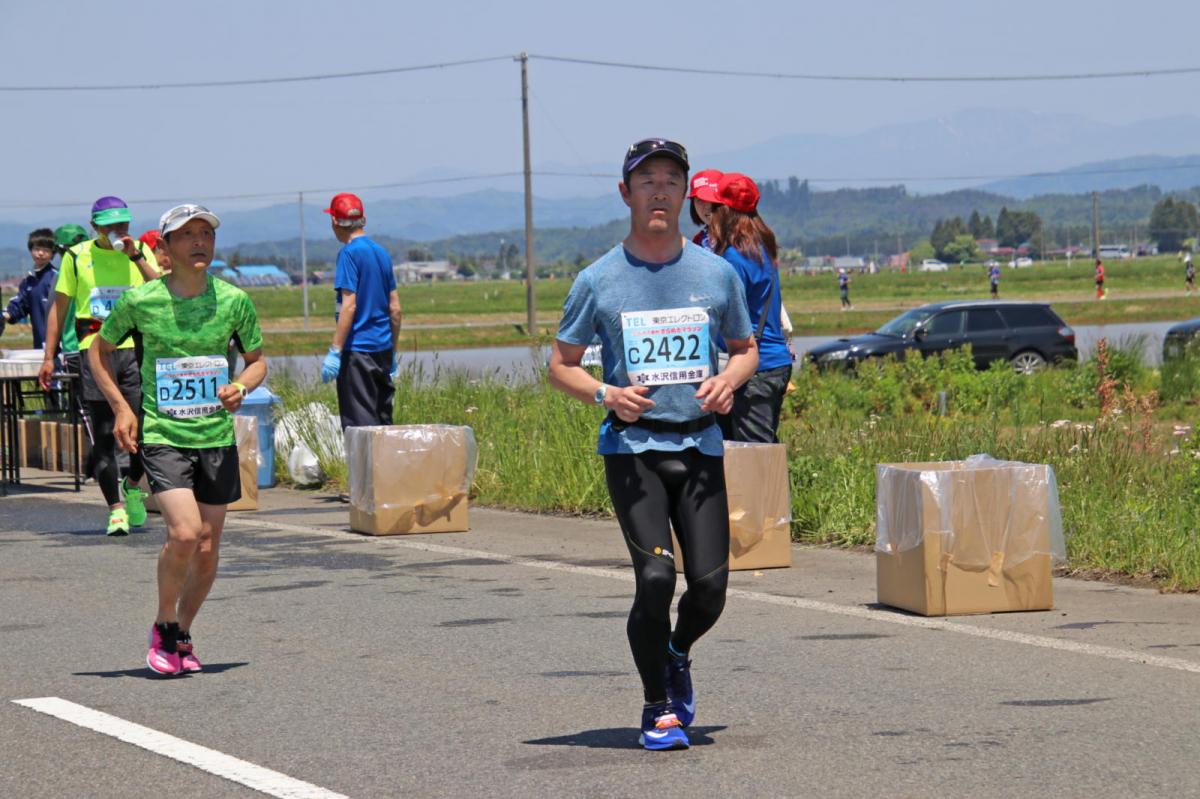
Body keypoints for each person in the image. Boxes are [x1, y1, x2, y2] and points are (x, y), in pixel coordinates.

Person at [549, 138, 758, 751]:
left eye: (671, 179)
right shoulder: (599, 279)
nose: (660, 189)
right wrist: (605, 395)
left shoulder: (717, 273)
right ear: (626, 194)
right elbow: (561, 364)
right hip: (632, 448)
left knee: (712, 587)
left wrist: (728, 380)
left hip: (700, 449)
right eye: (647, 180)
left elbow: (746, 350)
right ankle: (657, 706)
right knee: (656, 576)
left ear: (685, 193)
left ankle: (676, 653)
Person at [90, 204, 266, 675]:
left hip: (215, 435)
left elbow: (257, 360)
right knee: (185, 532)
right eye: (186, 235)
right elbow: (98, 351)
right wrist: (122, 408)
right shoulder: (141, 301)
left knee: (208, 547)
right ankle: (164, 625)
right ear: (163, 249)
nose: (199, 242)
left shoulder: (233, 300)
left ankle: (182, 632)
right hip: (164, 433)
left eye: (205, 233)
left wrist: (242, 386)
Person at [39, 196, 161, 536]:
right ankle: (115, 509)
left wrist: (135, 255)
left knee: (145, 434)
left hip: (136, 350)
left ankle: (133, 485)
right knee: (105, 434)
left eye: (123, 225)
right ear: (95, 227)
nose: (119, 232)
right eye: (111, 227)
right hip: (94, 352)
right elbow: (58, 308)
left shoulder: (139, 251)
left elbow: (161, 289)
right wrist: (49, 356)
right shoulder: (77, 257)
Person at [708, 172, 792, 444]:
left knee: (753, 458)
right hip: (775, 361)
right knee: (762, 451)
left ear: (723, 211)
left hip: (753, 368)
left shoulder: (733, 257)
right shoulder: (762, 247)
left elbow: (725, 313)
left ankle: (766, 490)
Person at [320, 192, 402, 429]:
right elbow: (395, 309)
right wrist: (392, 352)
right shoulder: (381, 253)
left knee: (361, 429)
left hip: (358, 352)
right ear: (362, 219)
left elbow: (350, 305)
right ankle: (387, 467)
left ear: (335, 222)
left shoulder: (349, 253)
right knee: (383, 423)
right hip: (383, 350)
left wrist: (335, 350)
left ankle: (365, 468)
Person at [0, 229, 58, 348]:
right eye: (36, 249)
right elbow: (19, 306)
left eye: (46, 250)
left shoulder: (57, 278)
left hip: (61, 345)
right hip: (40, 344)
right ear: (31, 250)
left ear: (53, 253)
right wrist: (5, 315)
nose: (40, 253)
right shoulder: (29, 282)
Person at [687, 169, 723, 249]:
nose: (707, 206)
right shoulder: (698, 241)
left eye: (713, 198)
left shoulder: (741, 238)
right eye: (700, 200)